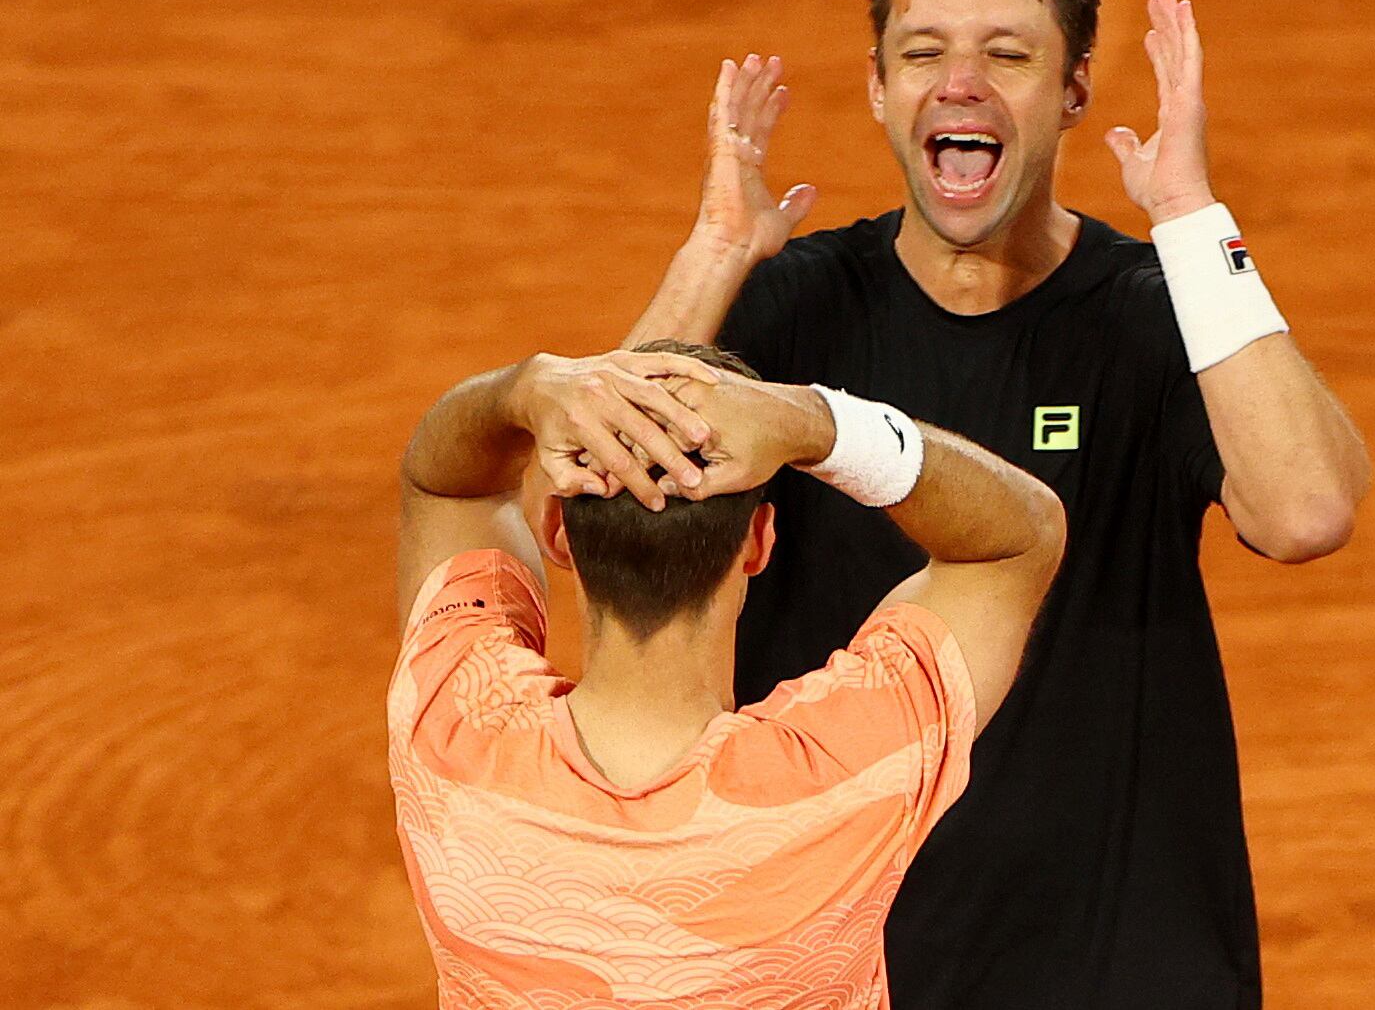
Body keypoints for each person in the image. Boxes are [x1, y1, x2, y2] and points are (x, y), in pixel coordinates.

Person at [622, 0, 1372, 1008]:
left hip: (1116, 957)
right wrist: (716, 253)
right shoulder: (787, 312)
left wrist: (1191, 217)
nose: (959, 84)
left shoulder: (1154, 313)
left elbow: (1305, 510)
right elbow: (603, 507)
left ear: (1074, 91)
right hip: (840, 952)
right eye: (922, 52)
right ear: (879, 87)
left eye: (1007, 55)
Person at [390, 340, 1066, 1008]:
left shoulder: (451, 727)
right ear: (759, 541)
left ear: (555, 530)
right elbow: (1016, 540)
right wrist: (816, 425)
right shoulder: (848, 768)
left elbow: (443, 482)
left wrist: (520, 391)